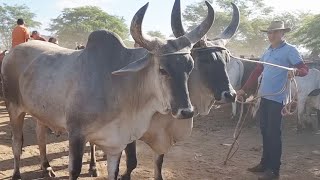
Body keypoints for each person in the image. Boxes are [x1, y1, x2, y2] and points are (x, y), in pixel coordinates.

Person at [237, 21, 309, 180]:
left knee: (274, 133)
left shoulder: (290, 50)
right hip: (264, 97)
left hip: (279, 99)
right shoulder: (267, 51)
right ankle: (264, 163)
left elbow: (305, 69)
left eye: (275, 32)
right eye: (269, 33)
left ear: (283, 34)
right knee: (264, 131)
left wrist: (296, 71)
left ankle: (273, 170)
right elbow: (257, 71)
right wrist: (244, 89)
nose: (271, 35)